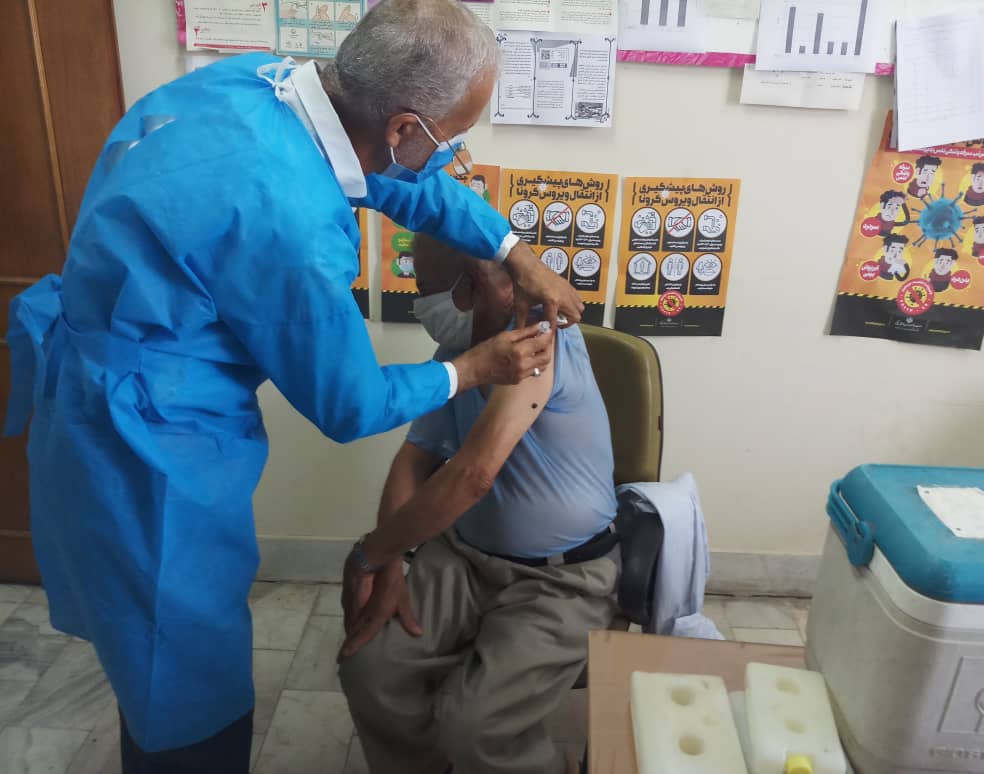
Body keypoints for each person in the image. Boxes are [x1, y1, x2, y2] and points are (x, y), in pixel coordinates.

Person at [1, 0, 585, 770]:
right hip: (142, 443)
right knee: (181, 686)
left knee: (148, 658)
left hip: (101, 380)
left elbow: (402, 186)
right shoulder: (291, 222)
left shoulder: (259, 84)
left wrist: (512, 248)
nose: (456, 155)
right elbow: (353, 406)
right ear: (403, 128)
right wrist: (472, 370)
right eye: (453, 138)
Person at [338, 235, 621, 774]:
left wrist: (368, 556)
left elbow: (473, 475)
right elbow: (414, 460)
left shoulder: (542, 339)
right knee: (369, 666)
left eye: (426, 290)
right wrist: (392, 563)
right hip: (466, 559)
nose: (419, 305)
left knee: (475, 724)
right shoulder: (458, 357)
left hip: (562, 578)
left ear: (470, 287)